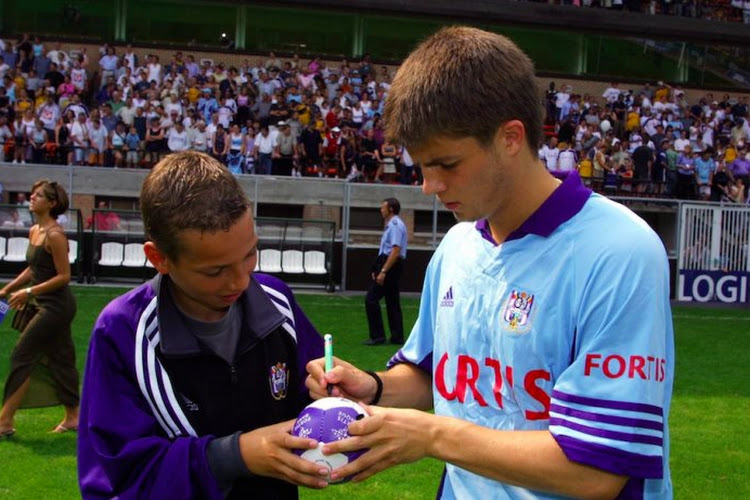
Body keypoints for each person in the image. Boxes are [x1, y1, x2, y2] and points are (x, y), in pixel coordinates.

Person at [306, 27, 674, 499]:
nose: (429, 186)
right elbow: (432, 376)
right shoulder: (457, 246)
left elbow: (596, 471)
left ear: (511, 137)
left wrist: (432, 435)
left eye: (448, 164)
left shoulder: (619, 250)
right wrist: (373, 388)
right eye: (422, 166)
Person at [77, 151, 327, 499]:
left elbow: (309, 402)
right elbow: (115, 480)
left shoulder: (276, 299)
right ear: (158, 258)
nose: (240, 281)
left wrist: (328, 399)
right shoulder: (123, 331)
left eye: (250, 254)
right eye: (215, 271)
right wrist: (235, 456)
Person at [0, 180, 79, 437]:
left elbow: (64, 276)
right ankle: (74, 417)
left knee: (22, 355)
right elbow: (34, 268)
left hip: (56, 306)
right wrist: (8, 289)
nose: (31, 198)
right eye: (32, 194)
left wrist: (29, 292)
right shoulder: (35, 230)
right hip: (43, 303)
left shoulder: (55, 235)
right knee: (61, 359)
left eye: (38, 196)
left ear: (52, 203)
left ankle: (4, 422)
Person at [364, 198, 407, 346]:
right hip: (389, 263)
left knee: (371, 299)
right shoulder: (392, 224)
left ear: (391, 209)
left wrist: (383, 271)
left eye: (383, 207)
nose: (381, 210)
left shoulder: (395, 225)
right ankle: (397, 336)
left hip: (391, 265)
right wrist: (377, 267)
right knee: (392, 301)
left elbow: (395, 250)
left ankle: (378, 336)